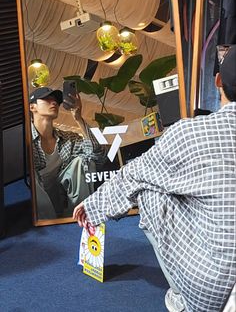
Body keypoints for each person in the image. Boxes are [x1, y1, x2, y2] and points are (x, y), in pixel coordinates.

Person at [73, 45, 236, 312]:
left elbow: (135, 174)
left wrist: (92, 207)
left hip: (214, 295)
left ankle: (183, 298)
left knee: (150, 190)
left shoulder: (190, 134)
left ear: (218, 81)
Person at [29, 86, 106, 219]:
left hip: (63, 198)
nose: (54, 103)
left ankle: (80, 217)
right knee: (29, 173)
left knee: (81, 162)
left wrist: (78, 118)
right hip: (37, 207)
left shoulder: (68, 138)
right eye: (47, 99)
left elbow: (97, 155)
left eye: (56, 100)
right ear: (32, 107)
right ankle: (47, 225)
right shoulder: (25, 141)